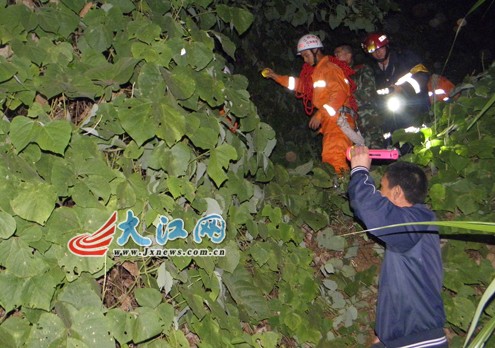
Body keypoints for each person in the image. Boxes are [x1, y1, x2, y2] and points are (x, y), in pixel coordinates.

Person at [347, 145, 448, 348]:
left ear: (397, 192)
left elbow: (371, 209)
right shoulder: (415, 227)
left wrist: (359, 170)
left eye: (382, 187)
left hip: (420, 342)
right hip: (403, 339)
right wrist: (385, 335)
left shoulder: (416, 223)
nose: (379, 193)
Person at [263, 34, 363, 174]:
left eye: (306, 55)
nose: (304, 60)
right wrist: (276, 77)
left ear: (316, 50)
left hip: (339, 120)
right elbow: (303, 86)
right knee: (331, 159)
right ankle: (340, 189)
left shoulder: (329, 68)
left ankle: (340, 191)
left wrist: (320, 114)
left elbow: (339, 93)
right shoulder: (318, 72)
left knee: (334, 159)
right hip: (332, 121)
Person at [361, 33, 430, 142]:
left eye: (380, 48)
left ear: (387, 46)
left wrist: (402, 89)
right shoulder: (372, 71)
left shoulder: (405, 58)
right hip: (391, 116)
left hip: (415, 108)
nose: (378, 53)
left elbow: (423, 75)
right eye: (373, 51)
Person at [334, 44, 382, 147]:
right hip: (347, 120)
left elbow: (368, 94)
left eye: (338, 53)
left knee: (375, 150)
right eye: (335, 54)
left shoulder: (361, 70)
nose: (335, 56)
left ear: (348, 55)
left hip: (366, 117)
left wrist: (347, 98)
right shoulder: (336, 75)